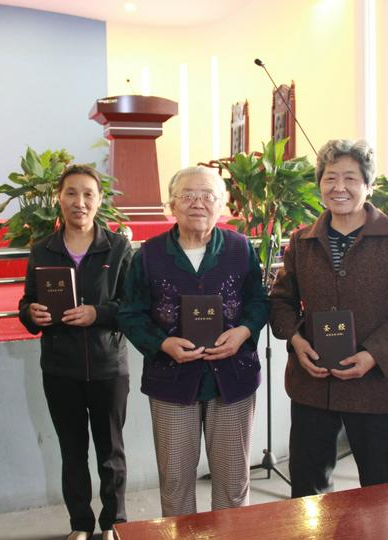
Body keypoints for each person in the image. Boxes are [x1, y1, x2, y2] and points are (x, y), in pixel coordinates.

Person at [270, 139, 388, 497]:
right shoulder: (301, 241)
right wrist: (296, 341)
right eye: (330, 178)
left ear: (368, 185)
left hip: (377, 387)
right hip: (314, 386)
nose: (338, 187)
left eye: (350, 178)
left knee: (383, 492)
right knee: (307, 493)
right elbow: (280, 302)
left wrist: (374, 354)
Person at [117, 166, 268, 516]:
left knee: (233, 485)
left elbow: (259, 302)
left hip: (232, 379)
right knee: (175, 485)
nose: (197, 203)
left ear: (222, 205)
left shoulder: (240, 248)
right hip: (172, 381)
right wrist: (162, 344)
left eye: (208, 196)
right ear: (172, 204)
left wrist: (243, 332)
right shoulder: (148, 255)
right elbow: (130, 313)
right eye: (187, 195)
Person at [18, 165, 132, 540]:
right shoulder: (43, 250)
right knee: (72, 452)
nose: (78, 202)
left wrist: (96, 313)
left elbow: (132, 307)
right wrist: (31, 314)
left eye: (87, 194)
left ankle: (115, 523)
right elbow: (28, 304)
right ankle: (80, 525)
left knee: (110, 453)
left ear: (99, 201)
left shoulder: (116, 248)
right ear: (59, 198)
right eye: (71, 193)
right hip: (60, 369)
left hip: (107, 367)